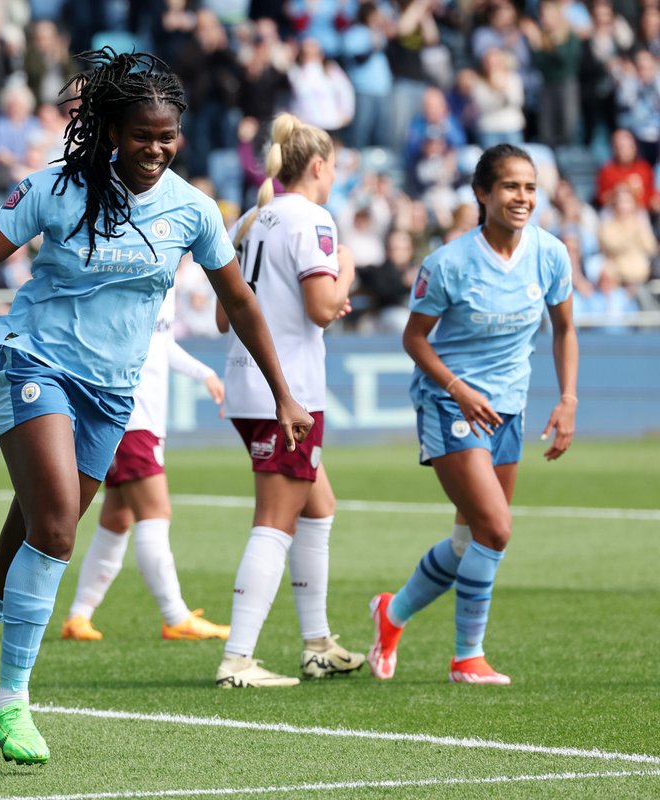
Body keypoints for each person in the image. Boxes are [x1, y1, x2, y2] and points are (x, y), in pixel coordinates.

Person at [0, 50, 312, 765]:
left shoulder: (192, 210)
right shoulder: (53, 189)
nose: (156, 149)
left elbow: (237, 300)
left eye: (168, 137)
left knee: (18, 548)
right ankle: (11, 702)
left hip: (111, 393)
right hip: (36, 365)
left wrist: (284, 391)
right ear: (112, 131)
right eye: (143, 135)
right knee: (57, 531)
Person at [368, 143, 578, 686]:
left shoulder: (551, 255)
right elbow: (414, 340)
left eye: (530, 187)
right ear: (483, 194)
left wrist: (568, 399)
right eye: (511, 186)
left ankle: (390, 615)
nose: (523, 197)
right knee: (496, 528)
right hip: (449, 404)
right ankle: (467, 658)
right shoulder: (448, 265)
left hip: (509, 407)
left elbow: (565, 330)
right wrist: (457, 388)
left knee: (470, 541)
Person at [213, 112, 366, 689]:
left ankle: (317, 643)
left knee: (318, 508)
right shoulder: (314, 220)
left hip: (248, 382)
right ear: (320, 166)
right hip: (289, 392)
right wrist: (345, 269)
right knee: (275, 522)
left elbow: (224, 315)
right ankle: (237, 658)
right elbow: (322, 308)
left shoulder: (252, 219)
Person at [59, 287, 231, 643]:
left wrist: (203, 373)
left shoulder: (164, 282)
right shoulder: (136, 272)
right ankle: (176, 616)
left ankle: (78, 616)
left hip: (138, 418)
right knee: (155, 511)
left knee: (117, 518)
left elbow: (160, 344)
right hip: (130, 416)